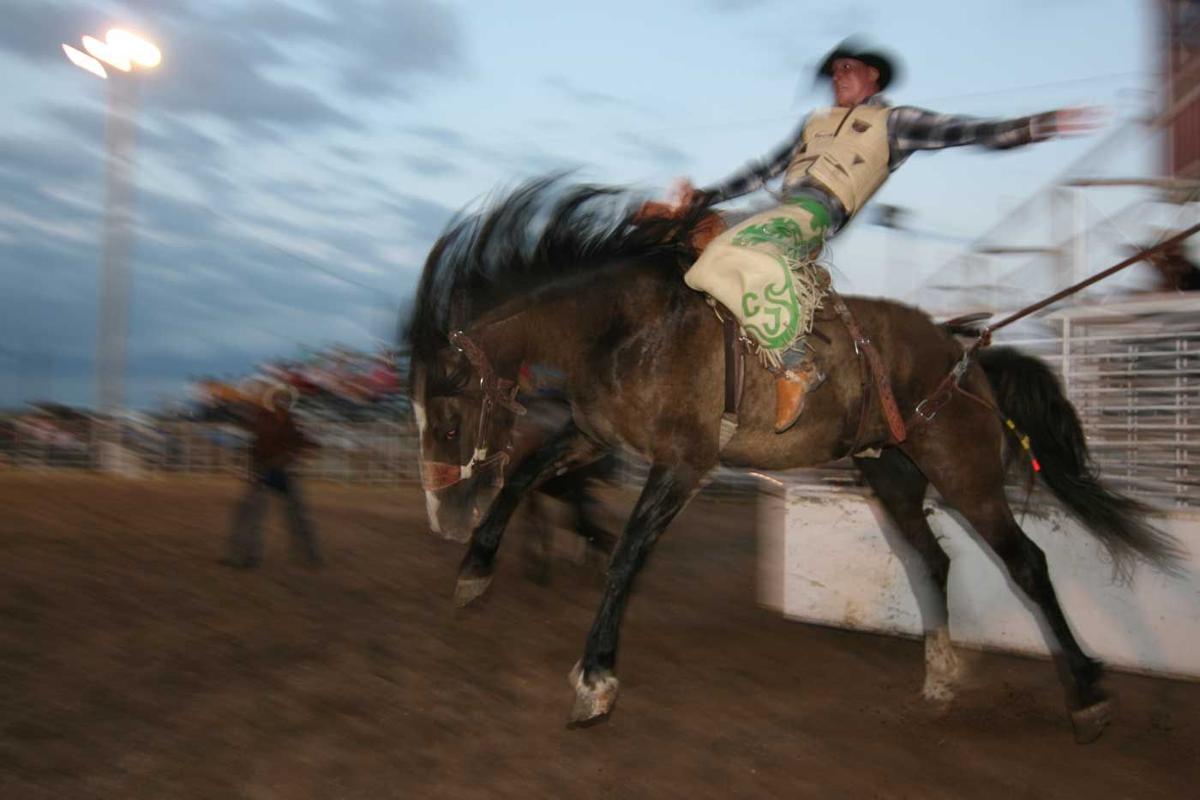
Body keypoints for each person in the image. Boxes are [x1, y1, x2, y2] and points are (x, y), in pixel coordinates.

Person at [667, 39, 1099, 433]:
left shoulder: (894, 121)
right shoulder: (813, 123)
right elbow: (763, 170)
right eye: (834, 71)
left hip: (814, 213)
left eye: (847, 67)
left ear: (873, 74)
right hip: (770, 210)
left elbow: (969, 132)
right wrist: (705, 196)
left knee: (723, 253)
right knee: (683, 247)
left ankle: (794, 363)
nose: (838, 76)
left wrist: (1040, 125)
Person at [224, 384, 321, 569]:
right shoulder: (285, 421)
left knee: (253, 516)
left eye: (283, 400)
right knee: (294, 517)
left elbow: (256, 445)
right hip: (275, 472)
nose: (282, 403)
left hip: (270, 472)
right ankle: (309, 556)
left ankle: (248, 557)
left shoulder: (270, 420)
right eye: (281, 400)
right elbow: (301, 444)